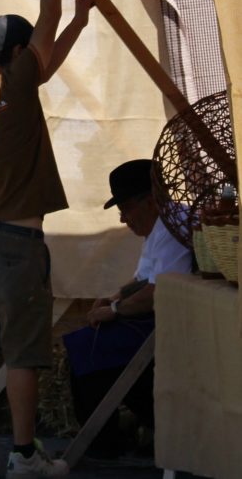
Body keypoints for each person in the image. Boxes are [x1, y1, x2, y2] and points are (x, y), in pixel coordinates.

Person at [0, 0, 95, 479]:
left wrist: (82, 23)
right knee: (22, 355)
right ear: (17, 54)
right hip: (16, 244)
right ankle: (22, 454)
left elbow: (47, 57)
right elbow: (50, 13)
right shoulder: (16, 84)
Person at [63, 159, 191, 459]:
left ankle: (108, 441)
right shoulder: (157, 229)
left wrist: (117, 310)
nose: (123, 220)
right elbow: (142, 278)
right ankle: (120, 432)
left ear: (150, 201)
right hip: (153, 321)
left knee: (92, 349)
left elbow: (159, 292)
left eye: (126, 210)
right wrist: (113, 296)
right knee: (85, 345)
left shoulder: (173, 227)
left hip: (169, 325)